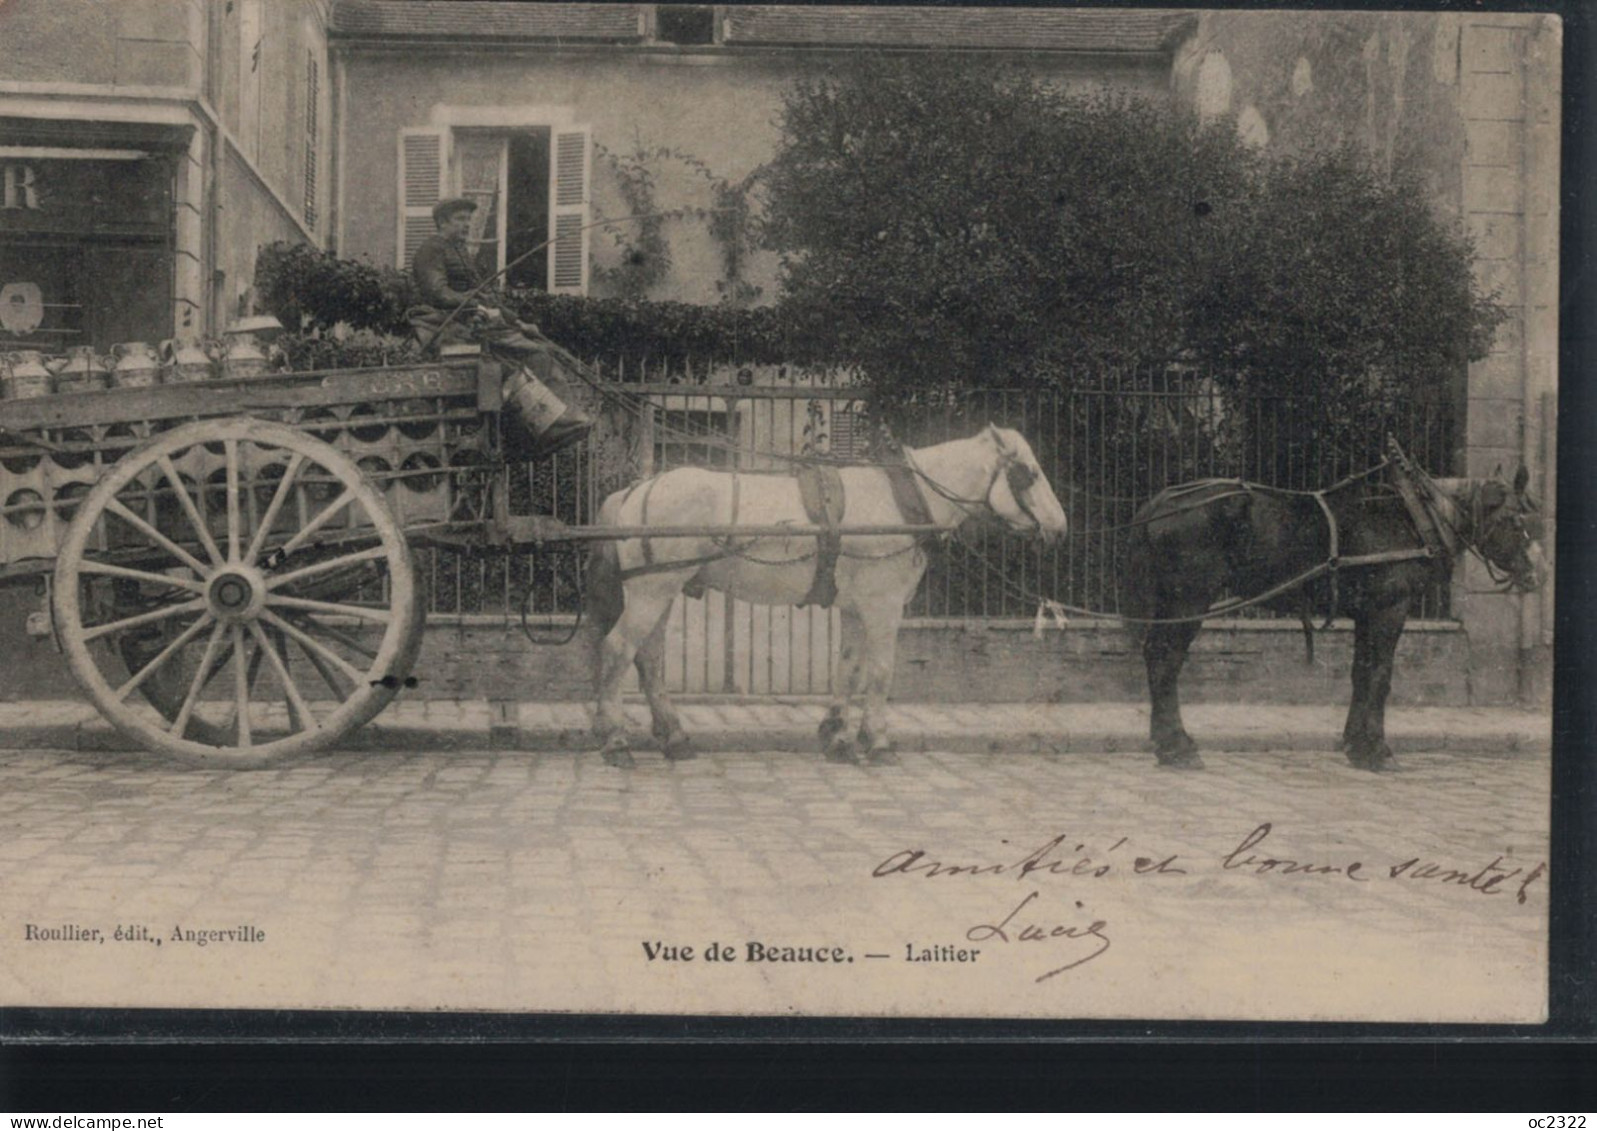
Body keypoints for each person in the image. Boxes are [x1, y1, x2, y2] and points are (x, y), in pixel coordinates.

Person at [408, 197, 592, 459]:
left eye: (469, 220)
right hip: (448, 326)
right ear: (442, 222)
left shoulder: (460, 252)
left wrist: (517, 321)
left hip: (474, 322)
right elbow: (438, 293)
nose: (467, 225)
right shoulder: (431, 249)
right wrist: (472, 302)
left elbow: (488, 297)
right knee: (534, 355)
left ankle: (554, 421)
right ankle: (542, 427)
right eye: (461, 219)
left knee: (539, 348)